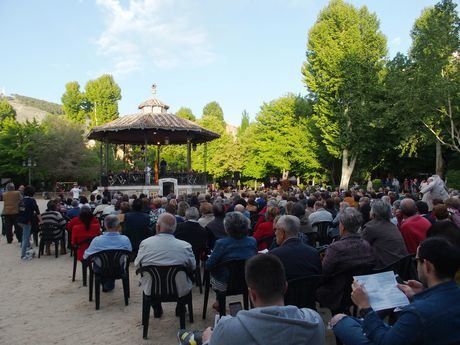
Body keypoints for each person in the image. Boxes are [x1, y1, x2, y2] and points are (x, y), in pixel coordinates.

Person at [331, 237, 460, 345]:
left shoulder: (416, 313)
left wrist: (365, 307)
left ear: (427, 265)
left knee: (339, 320)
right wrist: (421, 294)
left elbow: (384, 342)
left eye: (416, 261)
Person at [183, 254, 325, 345]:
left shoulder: (227, 329)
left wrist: (208, 340)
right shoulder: (314, 321)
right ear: (285, 287)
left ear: (252, 294)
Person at [134, 212, 196, 317]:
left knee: (150, 278)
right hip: (179, 289)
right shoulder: (185, 246)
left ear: (157, 226)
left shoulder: (145, 244)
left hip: (152, 289)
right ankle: (180, 307)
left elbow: (138, 265)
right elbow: (193, 267)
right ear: (174, 228)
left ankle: (156, 307)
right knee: (183, 278)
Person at [316, 207, 375, 313]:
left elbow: (323, 274)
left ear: (342, 226)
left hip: (338, 293)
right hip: (358, 289)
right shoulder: (366, 245)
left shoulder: (336, 248)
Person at [205, 212, 257, 310]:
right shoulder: (252, 241)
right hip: (247, 280)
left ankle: (219, 301)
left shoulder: (221, 243)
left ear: (227, 228)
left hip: (225, 283)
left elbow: (209, 265)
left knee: (217, 273)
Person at [83, 215, 132, 292]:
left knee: (100, 261)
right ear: (118, 225)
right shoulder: (125, 239)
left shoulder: (97, 240)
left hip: (101, 269)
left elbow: (86, 256)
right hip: (118, 268)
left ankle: (107, 283)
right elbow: (129, 253)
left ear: (105, 225)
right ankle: (108, 283)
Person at [270, 215, 321, 280]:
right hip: (311, 289)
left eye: (276, 229)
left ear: (282, 233)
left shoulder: (275, 256)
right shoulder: (314, 253)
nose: (275, 233)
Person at [361, 200, 408, 268]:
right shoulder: (393, 226)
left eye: (371, 209)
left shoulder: (371, 227)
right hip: (401, 266)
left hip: (385, 268)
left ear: (375, 212)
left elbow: (361, 247)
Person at [17, 185, 41, 260]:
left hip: (19, 220)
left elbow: (20, 210)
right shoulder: (32, 201)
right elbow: (37, 212)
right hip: (27, 221)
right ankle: (23, 255)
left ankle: (27, 249)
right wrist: (41, 221)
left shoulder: (22, 200)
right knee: (25, 238)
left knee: (26, 236)